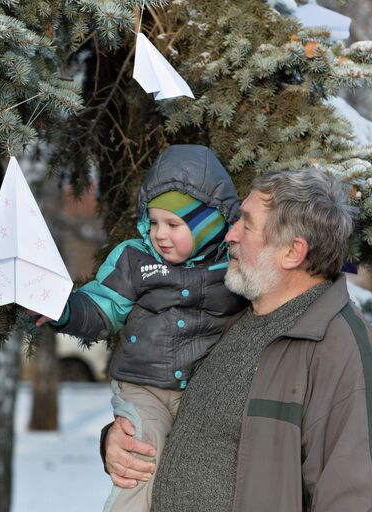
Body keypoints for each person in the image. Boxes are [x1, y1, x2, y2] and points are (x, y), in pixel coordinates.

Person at [103, 168, 372, 512]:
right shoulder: (230, 317)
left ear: (292, 252)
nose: (230, 234)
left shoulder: (344, 354)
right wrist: (118, 441)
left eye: (246, 224)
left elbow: (359, 500)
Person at [34, 144, 246, 512]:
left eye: (173, 224)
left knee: (200, 468)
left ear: (209, 222)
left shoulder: (233, 265)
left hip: (201, 392)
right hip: (143, 385)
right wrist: (64, 311)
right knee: (141, 453)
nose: (160, 234)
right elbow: (104, 305)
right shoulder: (135, 258)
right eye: (153, 222)